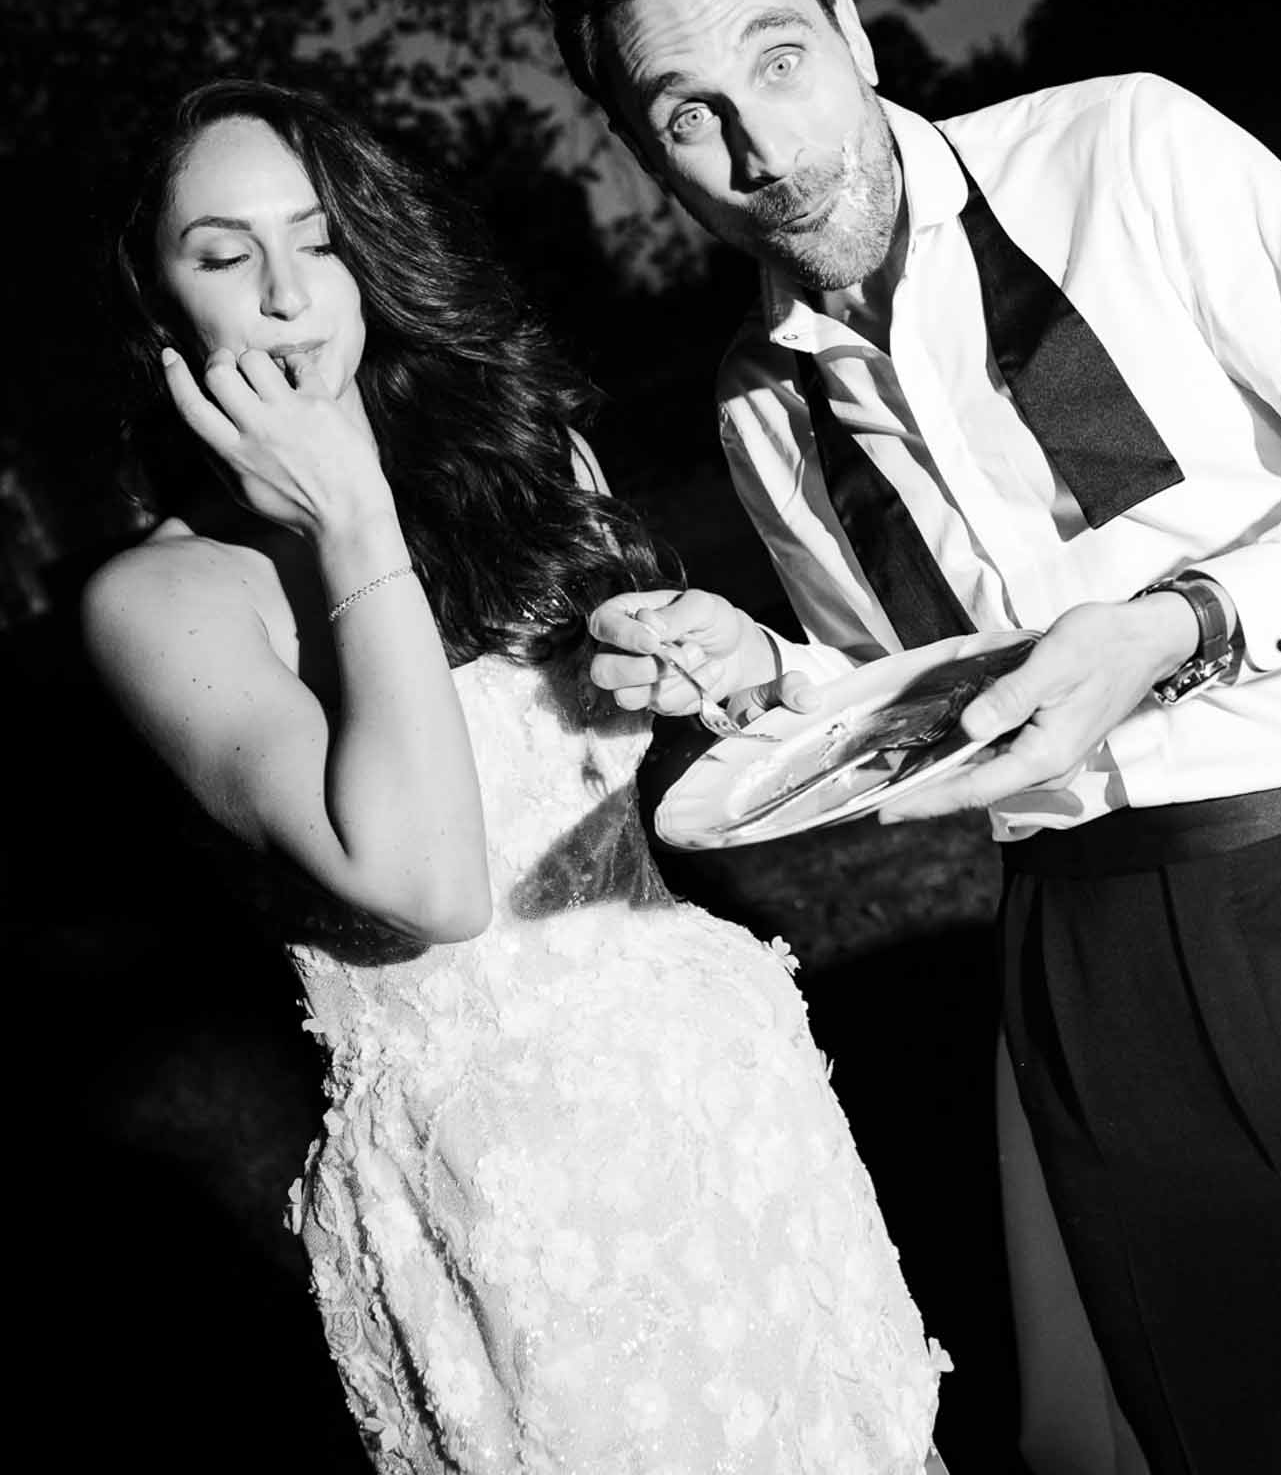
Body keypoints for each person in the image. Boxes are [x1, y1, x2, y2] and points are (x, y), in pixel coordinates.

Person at [546, 0, 1281, 1475]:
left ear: (852, 27)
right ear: (645, 154)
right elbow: (902, 687)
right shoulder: (754, 407)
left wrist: (1176, 626)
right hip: (1084, 958)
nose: (761, 150)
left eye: (779, 58)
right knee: (1237, 1439)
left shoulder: (1119, 152)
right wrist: (764, 668)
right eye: (686, 114)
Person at [80, 80, 952, 1475]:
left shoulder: (523, 465)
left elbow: (669, 775)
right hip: (506, 1192)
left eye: (319, 239)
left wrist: (717, 666)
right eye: (226, 254)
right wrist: (352, 505)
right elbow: (424, 883)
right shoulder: (167, 599)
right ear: (159, 301)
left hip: (718, 1090)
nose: (290, 295)